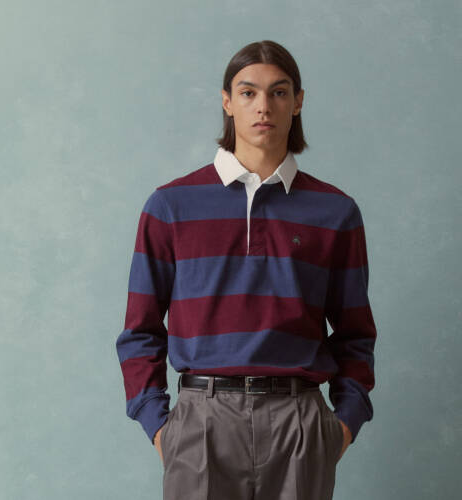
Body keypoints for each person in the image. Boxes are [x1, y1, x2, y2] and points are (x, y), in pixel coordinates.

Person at [116, 40, 377, 500]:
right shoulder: (171, 206)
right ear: (227, 101)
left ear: (298, 102)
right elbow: (140, 331)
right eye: (248, 92)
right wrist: (160, 427)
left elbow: (355, 333)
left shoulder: (335, 212)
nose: (263, 106)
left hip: (299, 422)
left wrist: (342, 426)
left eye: (279, 92)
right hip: (201, 422)